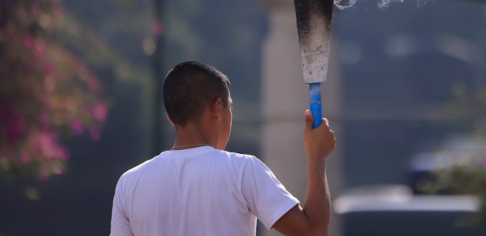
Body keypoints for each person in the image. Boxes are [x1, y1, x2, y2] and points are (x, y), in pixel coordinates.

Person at [110, 61, 336, 236]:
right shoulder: (242, 171)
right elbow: (313, 232)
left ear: (171, 118)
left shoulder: (129, 183)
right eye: (230, 107)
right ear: (218, 108)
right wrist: (317, 157)